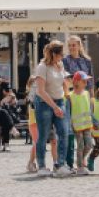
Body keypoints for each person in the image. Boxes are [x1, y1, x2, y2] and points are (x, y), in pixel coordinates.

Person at [31, 40, 72, 177]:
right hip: (44, 103)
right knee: (43, 135)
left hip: (60, 100)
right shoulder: (42, 67)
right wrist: (54, 107)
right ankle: (42, 166)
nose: (62, 57)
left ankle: (60, 164)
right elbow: (40, 91)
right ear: (54, 54)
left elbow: (64, 83)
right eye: (61, 54)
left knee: (64, 132)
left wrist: (67, 94)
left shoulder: (60, 65)